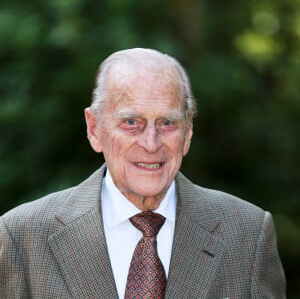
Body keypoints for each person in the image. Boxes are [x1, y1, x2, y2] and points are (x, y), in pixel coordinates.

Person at [0, 48, 286, 298]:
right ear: (94, 129)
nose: (151, 144)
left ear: (188, 133)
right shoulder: (23, 236)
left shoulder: (248, 234)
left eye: (167, 123)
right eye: (131, 122)